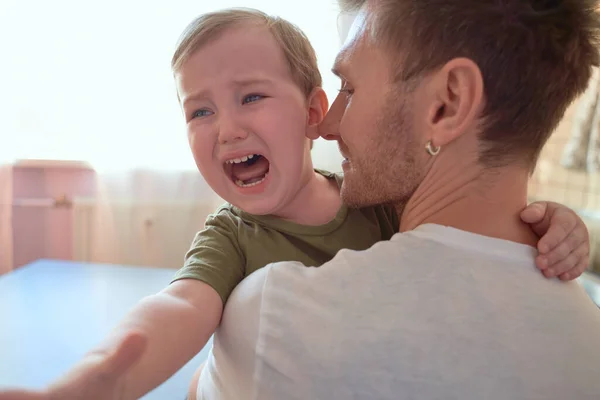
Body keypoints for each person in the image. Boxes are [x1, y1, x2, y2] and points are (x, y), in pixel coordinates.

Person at [0, 5, 593, 400]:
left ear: (310, 112)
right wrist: (98, 376)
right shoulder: (231, 235)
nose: (225, 128)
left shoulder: (381, 207)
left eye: (250, 97)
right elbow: (179, 307)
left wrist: (550, 222)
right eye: (198, 110)